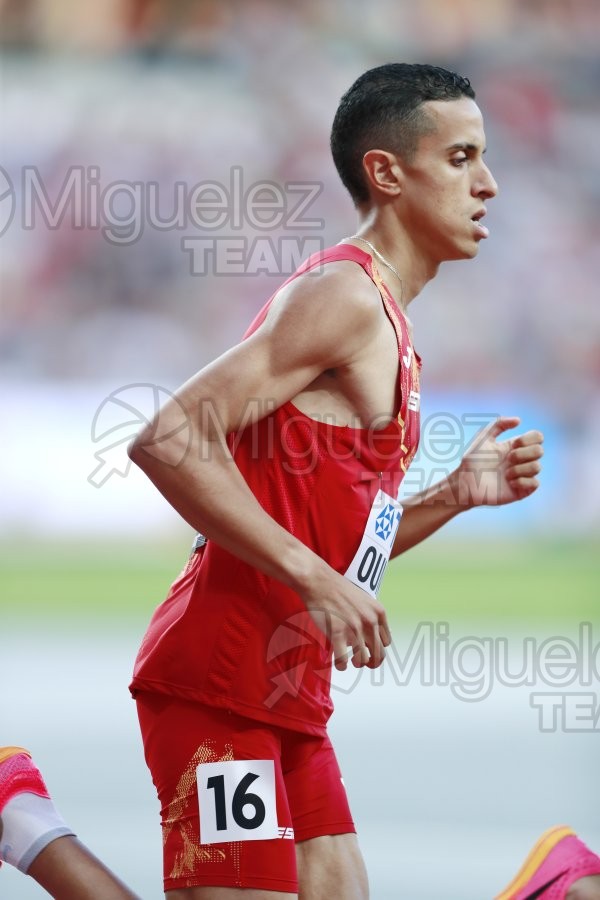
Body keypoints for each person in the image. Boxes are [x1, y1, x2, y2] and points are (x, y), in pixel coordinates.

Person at [2, 63, 599, 900]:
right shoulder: (342, 297)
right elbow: (169, 436)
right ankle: (24, 825)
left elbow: (344, 550)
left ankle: (22, 823)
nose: (490, 184)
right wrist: (315, 580)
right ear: (387, 173)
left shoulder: (389, 320)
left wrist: (453, 496)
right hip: (220, 674)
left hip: (289, 687)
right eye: (462, 158)